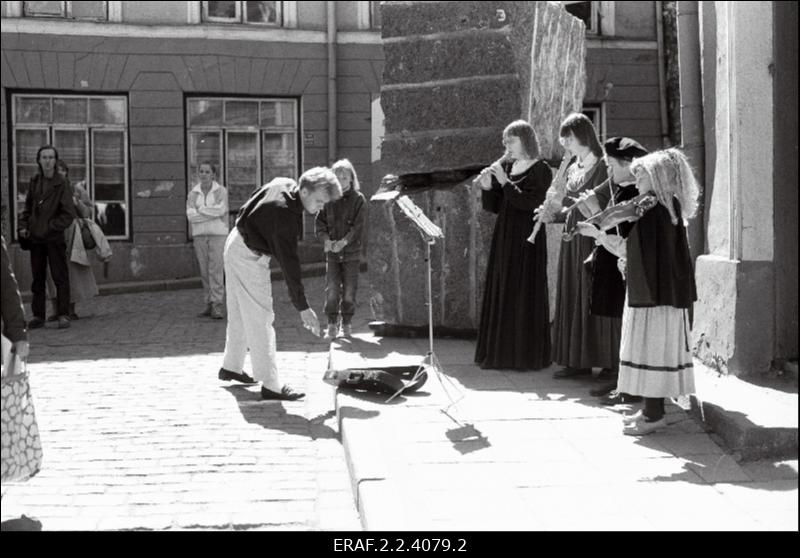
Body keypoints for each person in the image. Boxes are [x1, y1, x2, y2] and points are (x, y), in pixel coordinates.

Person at [575, 148, 699, 435]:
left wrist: (599, 234)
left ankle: (654, 416)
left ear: (657, 175)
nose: (636, 175)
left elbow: (633, 251)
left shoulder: (655, 207)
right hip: (661, 290)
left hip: (655, 294)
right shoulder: (664, 205)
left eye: (641, 172)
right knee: (651, 348)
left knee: (651, 349)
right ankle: (649, 411)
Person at [218, 167, 342, 401]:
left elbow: (254, 199)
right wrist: (303, 308)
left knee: (240, 313)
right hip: (248, 255)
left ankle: (231, 366)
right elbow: (290, 266)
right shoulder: (285, 217)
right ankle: (271, 384)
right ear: (304, 191)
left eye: (324, 203)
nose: (321, 207)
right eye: (319, 200)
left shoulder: (284, 183)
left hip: (235, 241)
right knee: (260, 317)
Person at [539, 113, 620, 379]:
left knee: (595, 293)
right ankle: (578, 361)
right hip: (573, 238)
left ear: (583, 136)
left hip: (595, 236)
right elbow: (569, 209)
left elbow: (608, 204)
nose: (565, 144)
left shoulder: (603, 166)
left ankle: (609, 363)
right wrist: (552, 210)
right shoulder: (573, 168)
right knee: (574, 292)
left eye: (569, 138)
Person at [573, 137, 649, 402]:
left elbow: (622, 231)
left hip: (624, 267)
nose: (608, 172)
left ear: (629, 164)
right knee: (617, 321)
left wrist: (595, 211)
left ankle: (627, 383)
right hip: (612, 262)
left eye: (612, 166)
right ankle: (621, 378)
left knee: (623, 323)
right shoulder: (621, 188)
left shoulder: (635, 193)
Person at [474, 120, 552, 370]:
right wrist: (488, 188)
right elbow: (499, 206)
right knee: (503, 286)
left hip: (527, 236)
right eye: (505, 141)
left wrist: (505, 183)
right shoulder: (508, 166)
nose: (507, 146)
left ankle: (523, 356)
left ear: (526, 140)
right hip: (506, 234)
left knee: (522, 290)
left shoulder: (541, 169)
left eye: (511, 141)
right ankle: (499, 353)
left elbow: (530, 204)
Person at [17, 145, 76, 330]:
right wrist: (24, 227)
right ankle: (38, 316)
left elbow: (68, 214)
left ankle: (63, 314)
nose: (48, 161)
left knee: (60, 276)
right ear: (39, 160)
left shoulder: (62, 183)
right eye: (44, 157)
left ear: (56, 160)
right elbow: (27, 209)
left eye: (51, 157)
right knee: (38, 278)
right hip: (36, 238)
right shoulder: (34, 181)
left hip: (54, 238)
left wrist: (52, 227)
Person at [45, 160, 102, 321]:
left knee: (72, 271)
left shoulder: (76, 189)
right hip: (52, 234)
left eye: (63, 170)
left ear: (67, 173)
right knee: (52, 272)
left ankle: (70, 309)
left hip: (72, 234)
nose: (60, 173)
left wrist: (77, 202)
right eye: (57, 170)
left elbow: (88, 212)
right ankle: (56, 309)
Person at [316, 159, 367, 339]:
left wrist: (344, 242)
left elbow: (358, 227)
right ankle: (331, 323)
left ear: (352, 179)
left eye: (345, 177)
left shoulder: (358, 199)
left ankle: (346, 322)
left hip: (351, 253)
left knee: (349, 291)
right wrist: (327, 240)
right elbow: (320, 224)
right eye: (338, 177)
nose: (342, 180)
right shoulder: (327, 199)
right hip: (332, 254)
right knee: (331, 290)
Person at [187, 162, 229, 320]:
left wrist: (201, 210)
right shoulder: (193, 193)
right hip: (199, 236)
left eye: (207, 171)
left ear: (213, 174)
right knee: (204, 271)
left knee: (216, 270)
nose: (204, 174)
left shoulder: (220, 191)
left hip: (218, 235)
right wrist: (209, 213)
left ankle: (217, 305)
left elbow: (221, 210)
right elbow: (191, 216)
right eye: (201, 171)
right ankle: (209, 303)